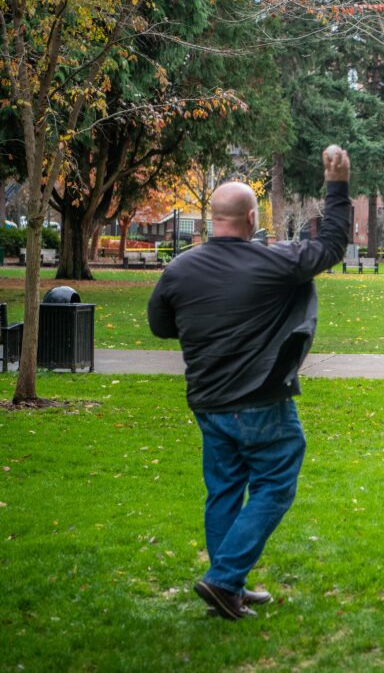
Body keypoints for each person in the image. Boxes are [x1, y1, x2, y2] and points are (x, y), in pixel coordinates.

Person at [147, 145, 352, 619]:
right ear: (253, 218)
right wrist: (337, 185)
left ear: (212, 217)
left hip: (208, 402)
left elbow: (162, 326)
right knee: (276, 483)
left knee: (223, 490)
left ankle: (228, 588)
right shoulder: (273, 263)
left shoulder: (178, 269)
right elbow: (333, 245)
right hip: (259, 401)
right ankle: (223, 579)